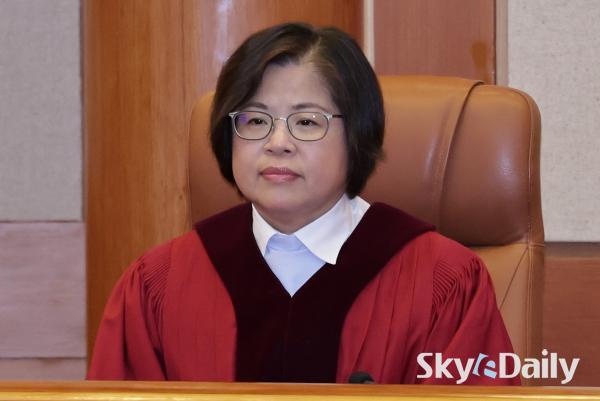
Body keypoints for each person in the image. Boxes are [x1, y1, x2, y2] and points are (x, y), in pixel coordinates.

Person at [88, 22, 518, 385]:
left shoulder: (444, 282)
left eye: (307, 121)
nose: (278, 143)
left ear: (357, 136)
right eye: (255, 120)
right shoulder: (158, 286)